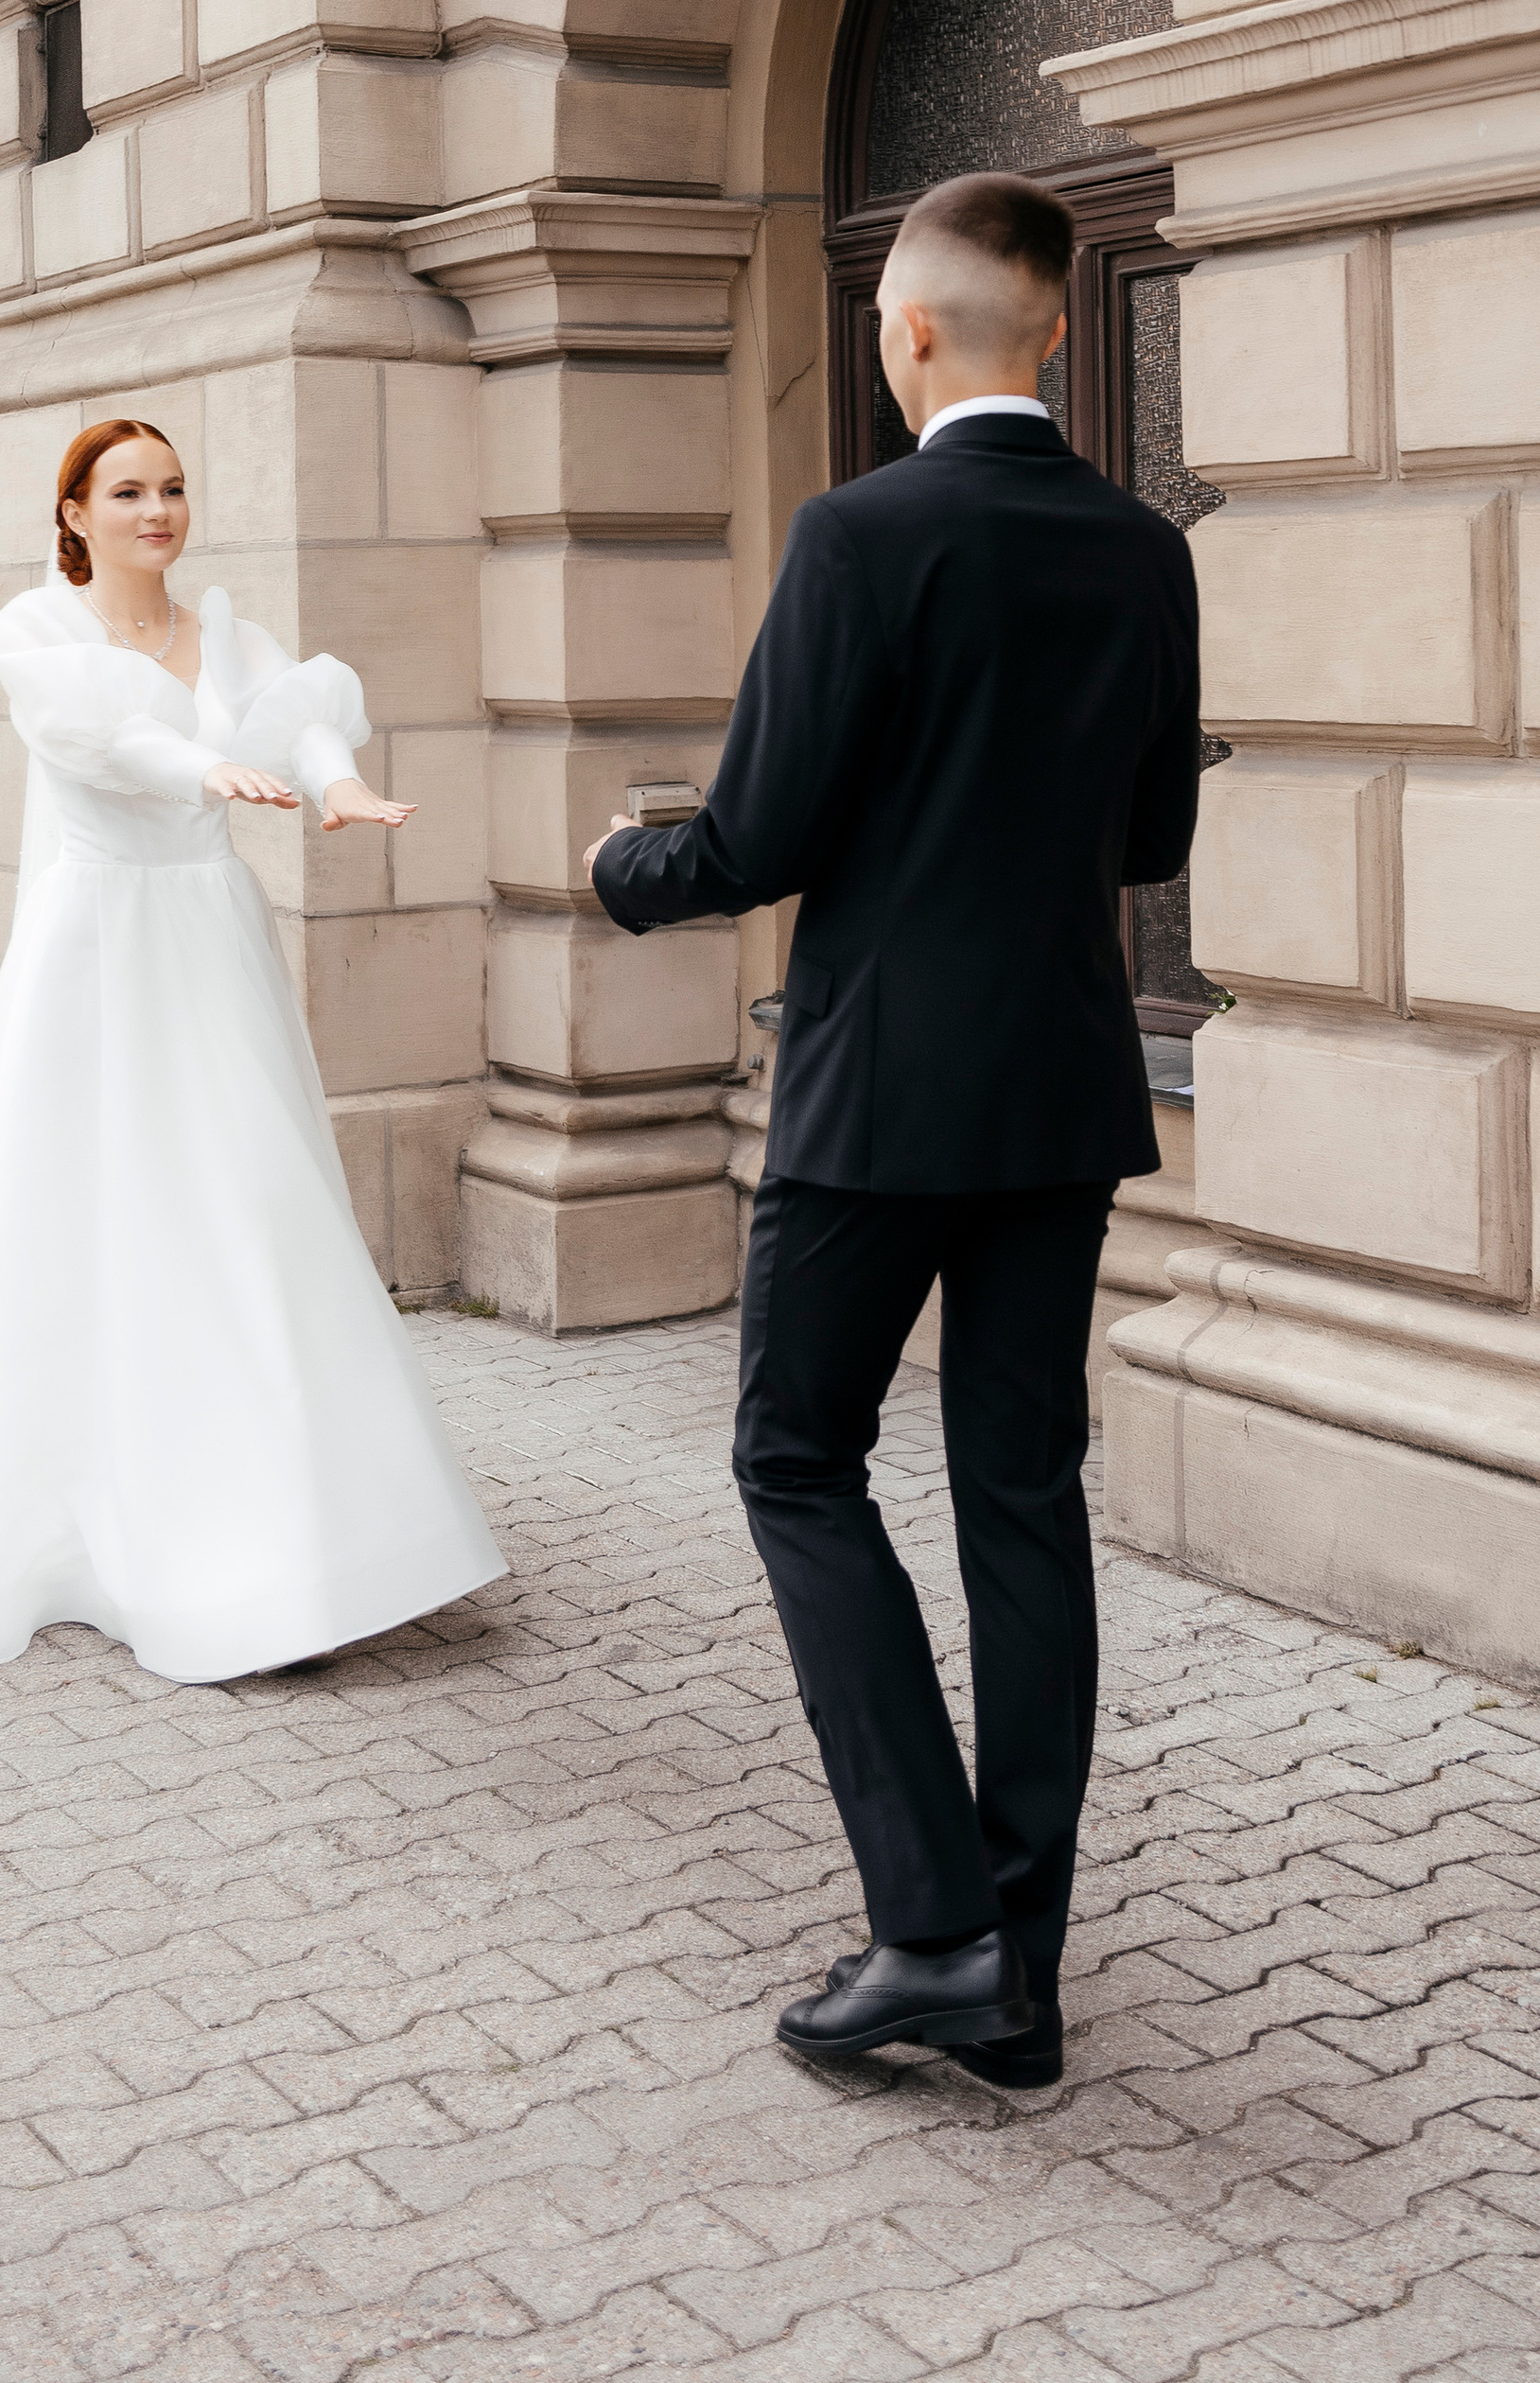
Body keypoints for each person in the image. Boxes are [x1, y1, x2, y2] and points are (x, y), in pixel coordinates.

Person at [586, 172, 1199, 2082]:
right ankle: (1015, 1965)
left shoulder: (857, 534)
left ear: (911, 329)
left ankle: (930, 1928)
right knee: (1020, 1503)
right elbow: (1153, 843)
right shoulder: (1139, 548)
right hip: (1058, 1087)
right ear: (1058, 331)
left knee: (791, 1460)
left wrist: (625, 866)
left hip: (872, 1103)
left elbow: (755, 840)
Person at [0, 414, 505, 1682]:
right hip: (98, 950)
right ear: (73, 513)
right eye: (127, 491)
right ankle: (79, 1526)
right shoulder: (39, 638)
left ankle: (290, 1538)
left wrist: (334, 779)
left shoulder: (225, 634)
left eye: (175, 488)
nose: (158, 510)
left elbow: (295, 721)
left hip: (211, 941)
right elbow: (106, 741)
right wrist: (204, 768)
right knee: (83, 1213)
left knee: (250, 1206)